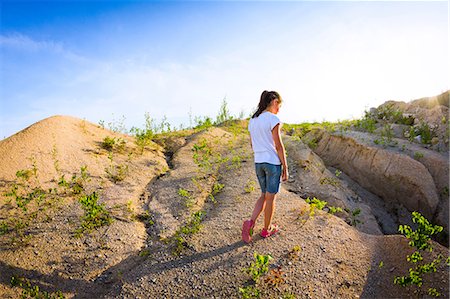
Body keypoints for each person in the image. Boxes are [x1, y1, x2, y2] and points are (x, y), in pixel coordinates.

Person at [242, 90, 288, 243]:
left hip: (258, 162)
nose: (279, 109)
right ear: (274, 102)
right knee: (270, 198)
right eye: (279, 105)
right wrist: (285, 168)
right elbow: (279, 146)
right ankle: (266, 230)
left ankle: (250, 222)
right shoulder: (273, 118)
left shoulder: (253, 121)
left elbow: (251, 143)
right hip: (272, 163)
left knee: (263, 195)